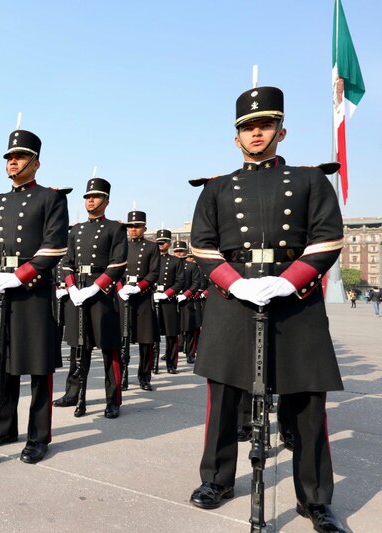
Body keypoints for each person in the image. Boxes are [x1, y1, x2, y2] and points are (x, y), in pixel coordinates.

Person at [188, 85, 346, 533]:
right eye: (247, 127)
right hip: (233, 298)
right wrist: (234, 283)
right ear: (235, 137)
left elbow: (328, 237)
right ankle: (216, 480)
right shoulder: (216, 188)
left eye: (264, 124)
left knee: (307, 403)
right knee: (223, 398)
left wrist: (289, 279)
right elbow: (202, 245)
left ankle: (314, 499)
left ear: (281, 129)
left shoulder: (310, 180)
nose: (256, 133)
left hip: (294, 300)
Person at [0, 128, 69, 465]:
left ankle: (38, 436)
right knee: (4, 362)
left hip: (33, 292)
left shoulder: (51, 198)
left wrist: (19, 276)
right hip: (2, 292)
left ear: (36, 162)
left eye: (19, 157)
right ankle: (4, 427)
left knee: (38, 367)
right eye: (9, 158)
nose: (12, 163)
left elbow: (55, 246)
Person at [54, 177, 127, 418]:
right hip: (79, 291)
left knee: (109, 348)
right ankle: (72, 392)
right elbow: (67, 262)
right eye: (87, 197)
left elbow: (117, 264)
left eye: (95, 196)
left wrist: (95, 287)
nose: (90, 201)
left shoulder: (115, 229)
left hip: (101, 293)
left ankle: (113, 398)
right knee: (78, 346)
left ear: (106, 200)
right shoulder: (76, 230)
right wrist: (72, 287)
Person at [117, 210, 160, 391]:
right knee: (122, 339)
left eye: (137, 226)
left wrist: (139, 286)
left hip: (142, 296)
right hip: (124, 296)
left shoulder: (151, 247)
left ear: (144, 228)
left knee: (145, 340)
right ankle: (123, 375)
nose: (133, 229)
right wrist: (120, 289)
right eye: (130, 226)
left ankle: (144, 376)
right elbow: (115, 269)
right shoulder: (122, 246)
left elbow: (154, 272)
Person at [153, 229, 184, 373]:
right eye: (158, 242)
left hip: (168, 301)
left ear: (169, 243)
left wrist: (167, 294)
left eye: (163, 242)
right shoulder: (151, 258)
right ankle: (153, 364)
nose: (161, 245)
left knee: (171, 335)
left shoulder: (175, 261)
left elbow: (180, 281)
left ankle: (171, 364)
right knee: (152, 336)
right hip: (152, 300)